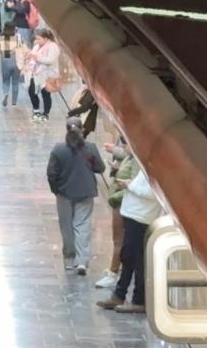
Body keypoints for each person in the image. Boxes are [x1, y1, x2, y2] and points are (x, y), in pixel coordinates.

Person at [98, 168, 162, 313]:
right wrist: (130, 184)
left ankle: (139, 300)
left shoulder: (157, 169)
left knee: (138, 260)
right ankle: (119, 294)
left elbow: (153, 193)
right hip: (134, 215)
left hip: (142, 218)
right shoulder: (145, 166)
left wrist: (129, 186)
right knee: (127, 257)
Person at [47, 117, 106, 275]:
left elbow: (51, 174)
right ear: (82, 130)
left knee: (66, 227)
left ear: (66, 129)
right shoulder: (90, 148)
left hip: (64, 194)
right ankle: (82, 262)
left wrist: (56, 190)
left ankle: (69, 260)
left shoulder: (58, 150)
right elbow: (100, 168)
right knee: (82, 225)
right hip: (86, 192)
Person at [96, 142, 141, 289]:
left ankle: (113, 273)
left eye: (126, 144)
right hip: (121, 203)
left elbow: (133, 184)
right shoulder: (129, 158)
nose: (124, 147)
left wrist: (114, 197)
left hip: (121, 203)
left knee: (118, 241)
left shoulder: (136, 162)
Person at [26, 28, 60, 121]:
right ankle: (36, 111)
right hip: (36, 73)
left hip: (47, 74)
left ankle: (46, 113)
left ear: (45, 38)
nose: (37, 41)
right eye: (36, 39)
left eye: (39, 39)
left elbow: (50, 60)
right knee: (31, 91)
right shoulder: (37, 46)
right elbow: (33, 56)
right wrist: (29, 57)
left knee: (45, 94)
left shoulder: (53, 46)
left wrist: (36, 57)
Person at [0, 21, 22, 107]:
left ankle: (5, 94)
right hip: (15, 60)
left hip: (5, 61)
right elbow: (21, 48)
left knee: (5, 81)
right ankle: (14, 102)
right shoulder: (17, 37)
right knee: (15, 82)